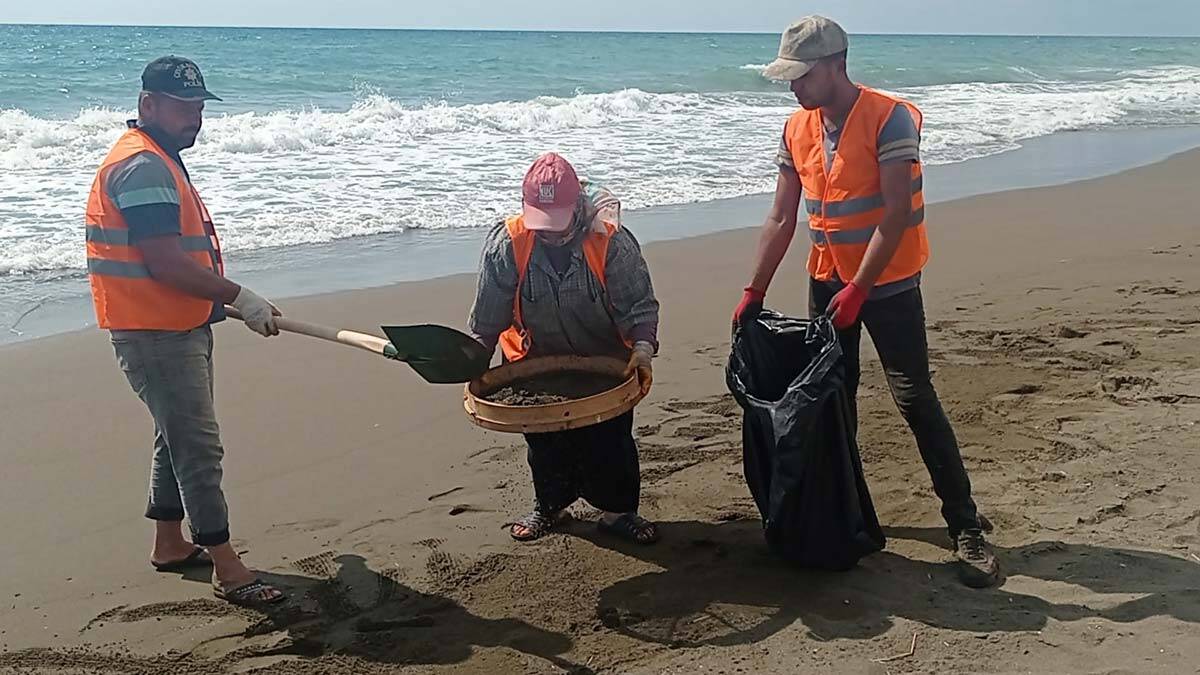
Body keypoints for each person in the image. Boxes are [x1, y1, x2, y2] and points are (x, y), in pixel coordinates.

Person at [732, 17, 1000, 588]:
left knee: (914, 397)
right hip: (828, 283)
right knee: (833, 399)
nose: (793, 87)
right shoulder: (796, 128)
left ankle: (966, 526)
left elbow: (896, 212)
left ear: (836, 64)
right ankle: (849, 516)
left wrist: (862, 289)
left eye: (801, 75)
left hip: (890, 285)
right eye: (788, 77)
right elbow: (781, 216)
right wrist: (754, 289)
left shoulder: (888, 117)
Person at [85, 56, 286, 606]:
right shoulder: (143, 166)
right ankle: (227, 565)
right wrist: (240, 298)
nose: (193, 118)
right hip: (155, 334)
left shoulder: (160, 157)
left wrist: (221, 307)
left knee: (172, 436)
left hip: (177, 323)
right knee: (198, 447)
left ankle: (169, 543)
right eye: (182, 108)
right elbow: (166, 265)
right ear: (147, 104)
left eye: (198, 108)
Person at [469, 153, 661, 545]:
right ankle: (550, 506)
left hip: (604, 357)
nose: (550, 234)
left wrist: (642, 349)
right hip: (533, 357)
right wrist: (473, 362)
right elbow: (488, 318)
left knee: (611, 439)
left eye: (558, 225)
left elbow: (638, 305)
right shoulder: (508, 243)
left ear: (577, 209)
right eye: (542, 225)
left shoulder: (611, 240)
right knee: (544, 441)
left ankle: (618, 512)